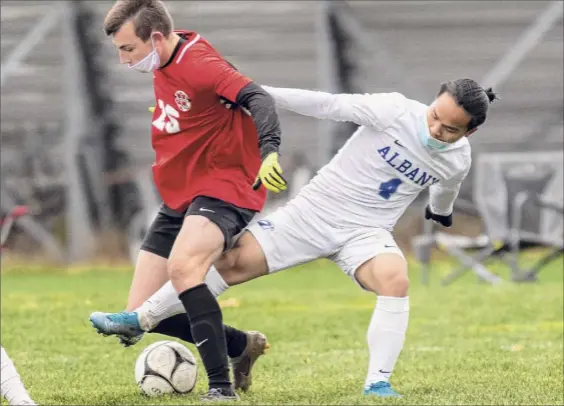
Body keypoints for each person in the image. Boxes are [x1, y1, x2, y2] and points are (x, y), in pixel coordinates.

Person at [91, 78, 498, 398]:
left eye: (449, 129)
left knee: (396, 280)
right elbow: (326, 104)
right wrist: (255, 95)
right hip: (310, 215)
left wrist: (440, 212)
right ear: (431, 103)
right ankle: (139, 319)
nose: (435, 130)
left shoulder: (459, 158)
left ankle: (378, 383)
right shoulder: (394, 110)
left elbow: (446, 187)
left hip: (365, 233)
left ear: (471, 132)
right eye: (434, 117)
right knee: (227, 263)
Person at [93, 0, 288, 400]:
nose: (123, 60)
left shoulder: (198, 62)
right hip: (181, 193)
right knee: (142, 313)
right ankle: (239, 345)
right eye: (118, 50)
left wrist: (269, 149)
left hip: (225, 186)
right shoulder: (165, 62)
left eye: (128, 49)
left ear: (157, 37)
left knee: (184, 270)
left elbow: (258, 98)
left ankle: (220, 388)